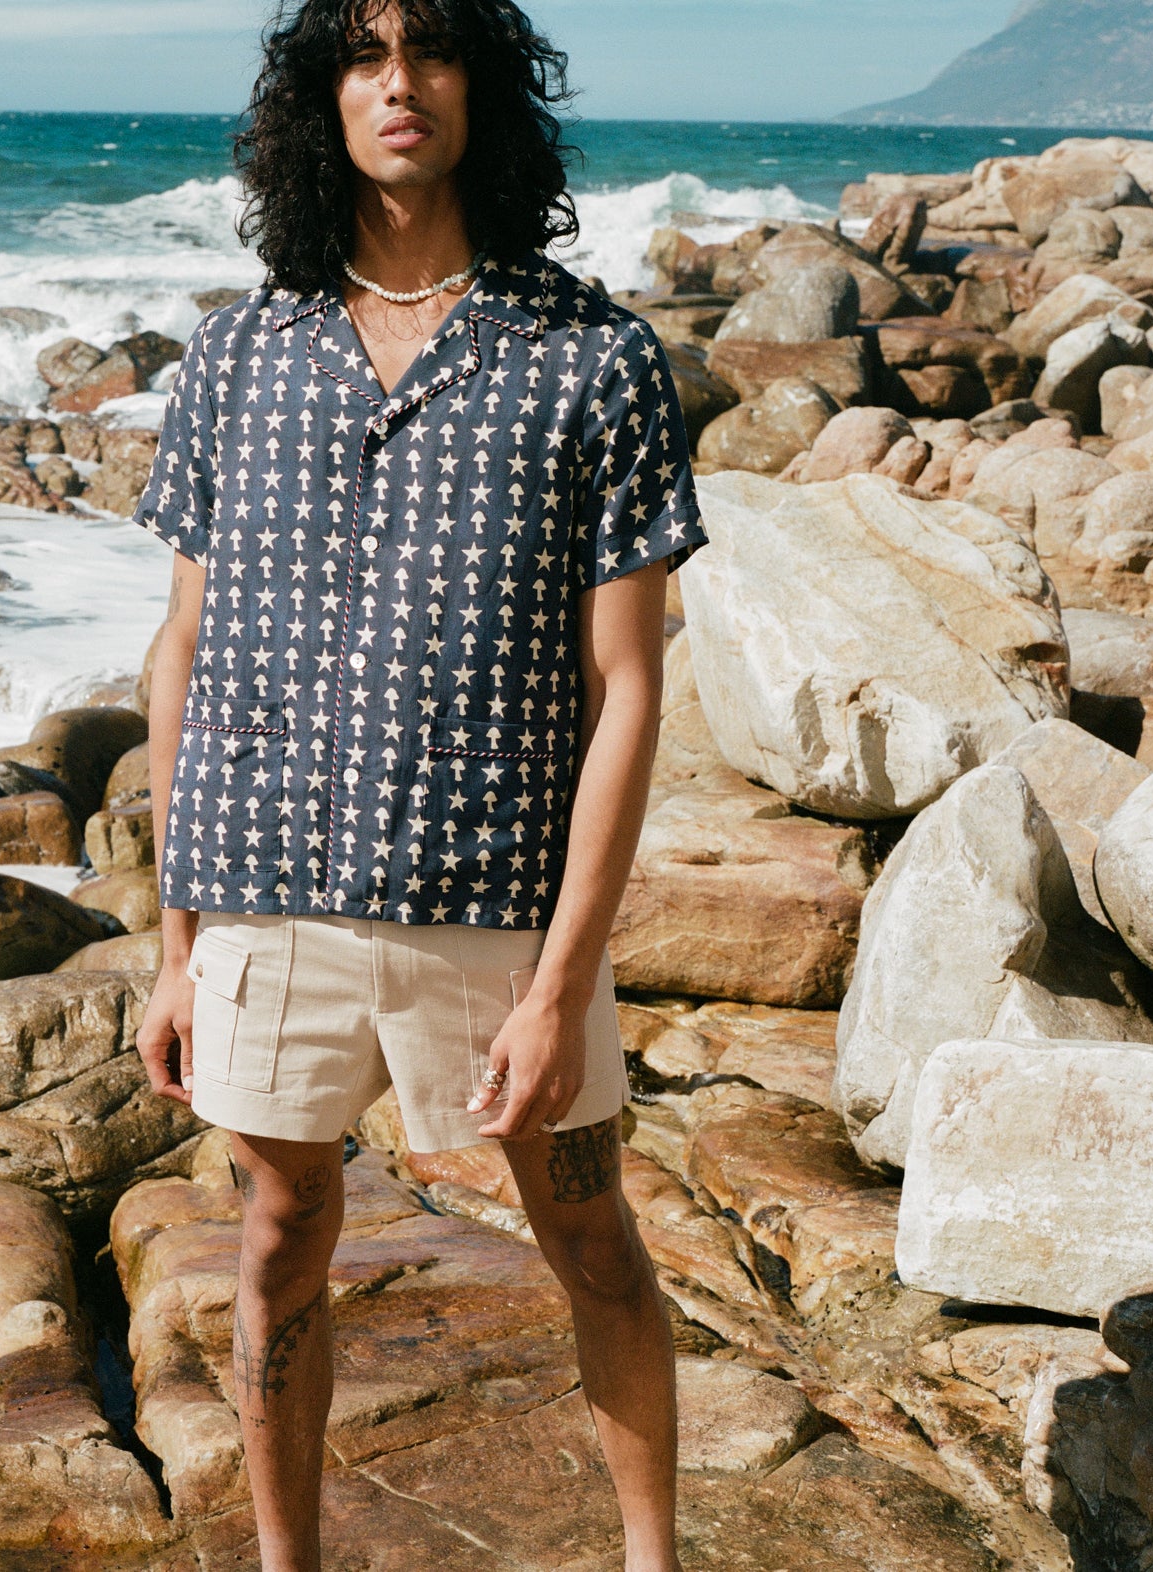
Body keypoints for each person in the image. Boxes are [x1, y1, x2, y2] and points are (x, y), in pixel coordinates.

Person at [132, 2, 704, 1566]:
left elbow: (628, 691)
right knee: (279, 1236)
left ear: (482, 92)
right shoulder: (240, 351)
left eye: (433, 49)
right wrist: (172, 947)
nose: (399, 81)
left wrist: (560, 982)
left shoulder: (591, 358)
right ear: (319, 100)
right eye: (364, 53)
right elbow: (179, 653)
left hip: (500, 908)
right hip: (265, 898)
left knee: (590, 1233)